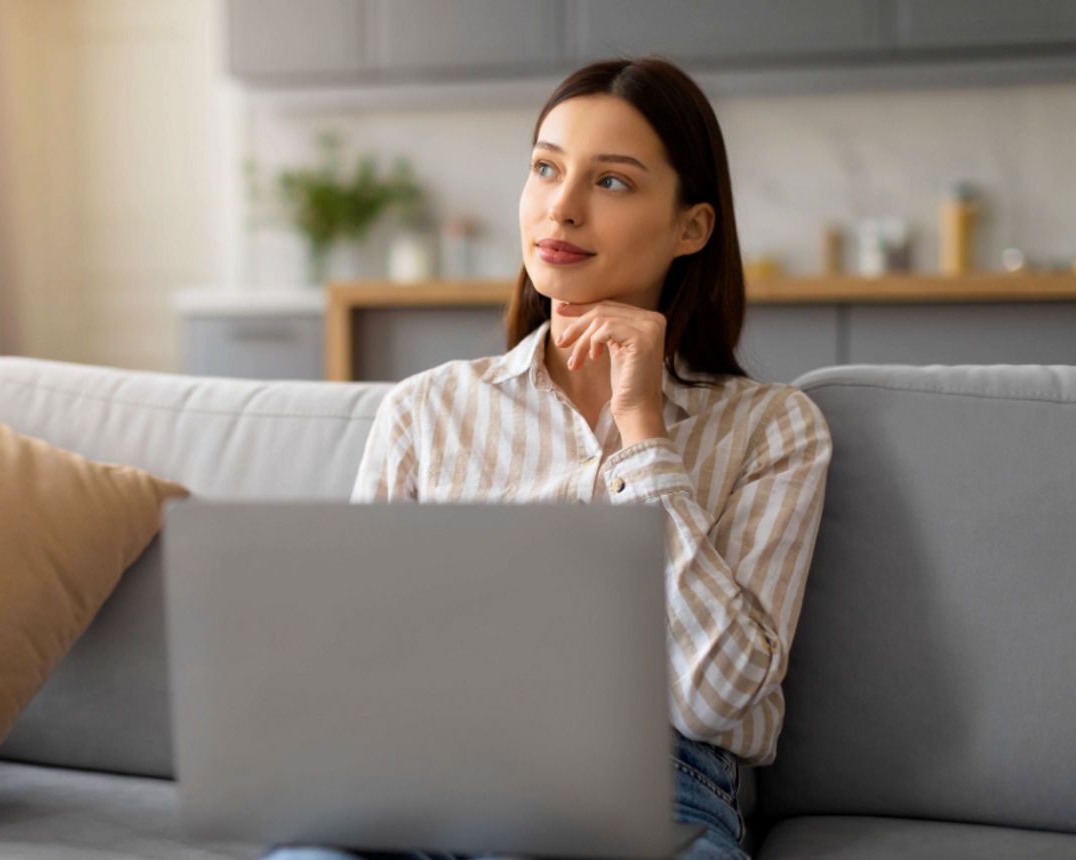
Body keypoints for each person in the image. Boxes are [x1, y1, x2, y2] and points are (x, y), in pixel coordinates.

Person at [261, 55, 832, 860]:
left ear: (691, 227)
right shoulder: (425, 412)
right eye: (545, 169)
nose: (559, 209)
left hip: (652, 783)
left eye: (612, 183)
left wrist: (643, 434)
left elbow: (714, 700)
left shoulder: (775, 429)